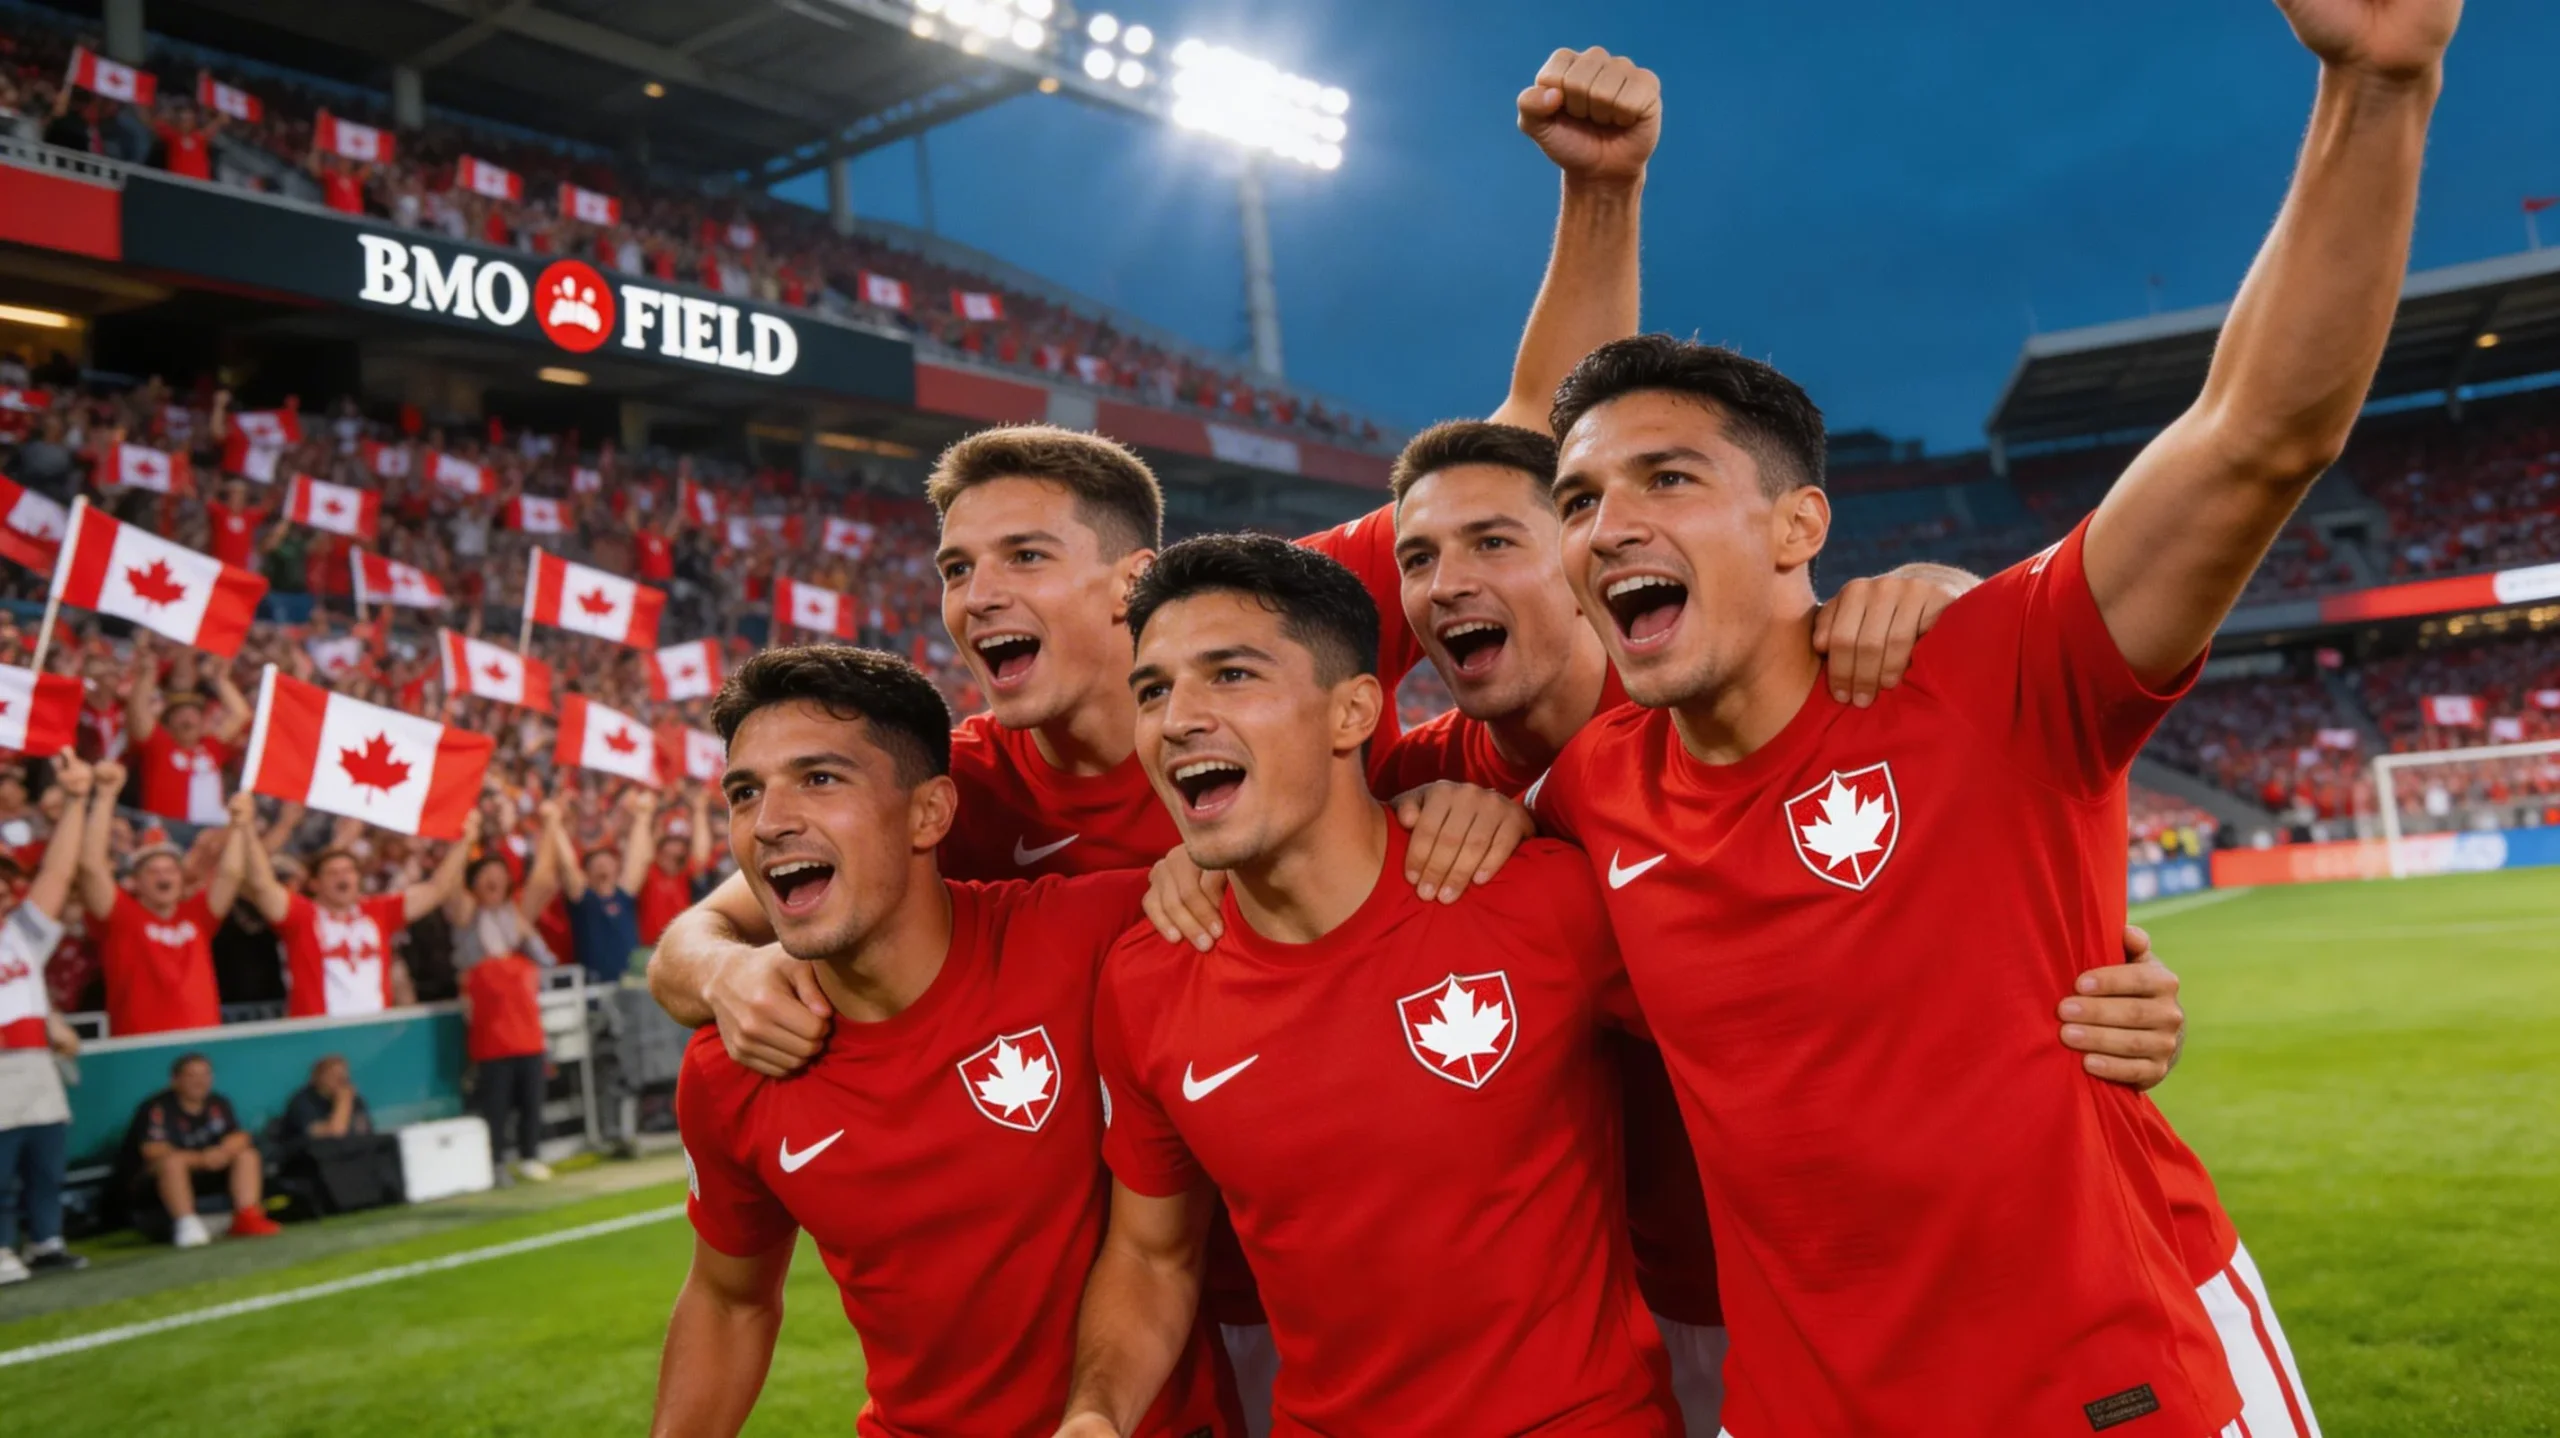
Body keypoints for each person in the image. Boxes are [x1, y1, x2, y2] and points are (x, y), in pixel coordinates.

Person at [1523, 7, 2456, 1431]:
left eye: (1666, 478)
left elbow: (2256, 433)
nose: (1607, 524)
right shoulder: (1589, 793)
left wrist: (2379, 82)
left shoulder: (1989, 665)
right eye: (1581, 500)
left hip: (2116, 1377)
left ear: (1799, 526)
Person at [1061, 534, 1677, 1433]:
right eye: (1152, 690)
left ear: (1353, 713)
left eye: (1231, 675)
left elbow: (1762, 1067)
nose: (1178, 718)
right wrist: (1095, 1415)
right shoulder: (1146, 979)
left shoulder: (1540, 900)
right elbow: (1154, 1258)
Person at [653, 646, 1230, 1438]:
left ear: (930, 814)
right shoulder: (735, 1061)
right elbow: (730, 1299)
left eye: (820, 779)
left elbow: (1303, 870)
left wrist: (1455, 802)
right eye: (744, 793)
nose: (771, 821)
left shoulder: (1090, 936)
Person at [238, 799, 482, 1018]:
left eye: (349, 871)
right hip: (319, 1040)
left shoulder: (378, 913)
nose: (342, 878)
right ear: (315, 883)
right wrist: (246, 827)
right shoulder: (302, 916)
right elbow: (261, 884)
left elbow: (436, 889)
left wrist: (465, 842)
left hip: (374, 1036)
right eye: (333, 873)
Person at [0, 754, 97, 1282]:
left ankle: (46, 1240)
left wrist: (78, 800)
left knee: (44, 1161)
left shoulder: (20, 934)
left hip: (34, 1060)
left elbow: (59, 871)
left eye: (5, 880)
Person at [79, 761, 241, 1035]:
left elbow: (232, 874)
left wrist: (239, 825)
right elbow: (90, 867)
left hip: (203, 1046)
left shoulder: (197, 915)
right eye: (152, 871)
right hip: (141, 1047)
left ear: (181, 878)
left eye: (170, 870)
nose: (163, 877)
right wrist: (106, 796)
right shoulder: (121, 917)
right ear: (135, 882)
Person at [120, 1052, 280, 1246]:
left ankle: (247, 1216)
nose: (200, 1082)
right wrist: (201, 1158)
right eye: (191, 1076)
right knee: (172, 1163)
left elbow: (239, 1135)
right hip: (157, 1183)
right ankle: (186, 1223)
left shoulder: (217, 1103)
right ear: (175, 1080)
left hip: (211, 1170)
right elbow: (152, 1150)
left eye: (205, 1075)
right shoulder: (156, 1107)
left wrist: (223, 1151)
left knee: (247, 1154)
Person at [125, 658, 253, 830]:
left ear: (202, 722)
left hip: (208, 831)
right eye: (180, 714)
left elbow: (241, 714)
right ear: (168, 723)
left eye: (194, 714)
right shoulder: (158, 744)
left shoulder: (212, 746)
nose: (188, 719)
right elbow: (138, 710)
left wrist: (221, 680)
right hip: (166, 828)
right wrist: (148, 675)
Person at [462, 941, 552, 1185]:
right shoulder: (476, 972)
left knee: (529, 1106)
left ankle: (528, 1157)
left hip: (527, 1044)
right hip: (495, 1049)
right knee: (497, 1111)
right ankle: (498, 1162)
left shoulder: (526, 966)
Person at [447, 798, 564, 974]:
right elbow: (450, 881)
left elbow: (542, 878)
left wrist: (552, 823)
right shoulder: (466, 914)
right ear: (472, 886)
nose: (494, 877)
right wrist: (463, 836)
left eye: (500, 872)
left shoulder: (517, 915)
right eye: (485, 873)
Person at [558, 788, 652, 983]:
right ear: (586, 872)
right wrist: (554, 823)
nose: (601, 863)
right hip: (593, 990)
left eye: (607, 859)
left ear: (617, 867)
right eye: (594, 861)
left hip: (630, 987)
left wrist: (643, 816)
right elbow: (567, 865)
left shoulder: (624, 896)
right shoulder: (582, 900)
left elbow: (637, 859)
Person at [634, 787, 714, 946]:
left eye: (682, 842)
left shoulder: (686, 872)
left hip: (681, 948)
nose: (677, 848)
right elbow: (642, 851)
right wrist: (645, 815)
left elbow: (701, 856)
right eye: (671, 841)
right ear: (660, 844)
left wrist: (699, 811)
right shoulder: (648, 868)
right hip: (648, 951)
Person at [280, 1054, 373, 1140]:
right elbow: (334, 1136)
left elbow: (367, 1135)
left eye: (344, 1078)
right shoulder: (302, 1103)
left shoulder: (356, 1100)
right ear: (318, 1078)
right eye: (335, 1077)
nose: (341, 1083)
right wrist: (343, 1102)